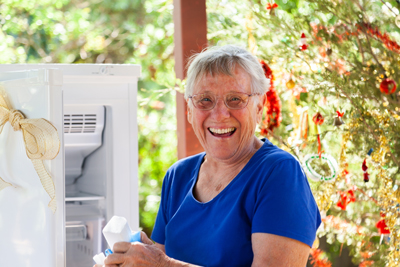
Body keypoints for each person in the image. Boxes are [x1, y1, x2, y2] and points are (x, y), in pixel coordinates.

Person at [96, 45, 321, 267]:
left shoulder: (278, 172)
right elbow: (160, 260)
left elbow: (163, 264)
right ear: (190, 110)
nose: (220, 114)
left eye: (235, 99)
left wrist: (161, 265)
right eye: (205, 100)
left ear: (259, 106)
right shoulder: (178, 176)